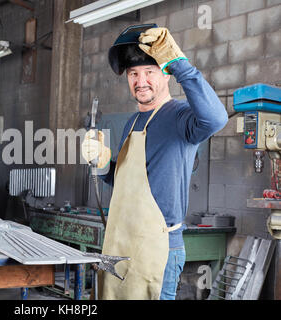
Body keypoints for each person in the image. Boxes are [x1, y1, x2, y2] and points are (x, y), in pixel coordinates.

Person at [81, 24, 228, 300]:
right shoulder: (132, 122)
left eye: (150, 71)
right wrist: (101, 165)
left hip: (158, 249)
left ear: (165, 74)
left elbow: (216, 119)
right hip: (119, 243)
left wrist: (179, 63)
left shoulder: (181, 116)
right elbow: (123, 182)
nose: (141, 81)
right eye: (134, 74)